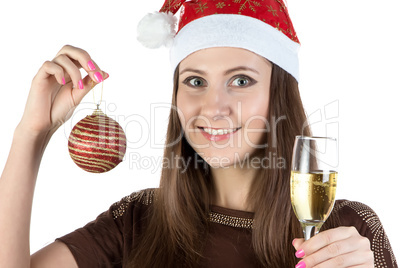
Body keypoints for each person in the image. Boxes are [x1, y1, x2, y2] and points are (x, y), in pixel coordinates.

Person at [0, 0, 398, 267]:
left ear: (279, 96)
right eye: (194, 81)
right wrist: (31, 134)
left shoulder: (348, 234)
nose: (213, 107)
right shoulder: (138, 220)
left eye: (241, 81)